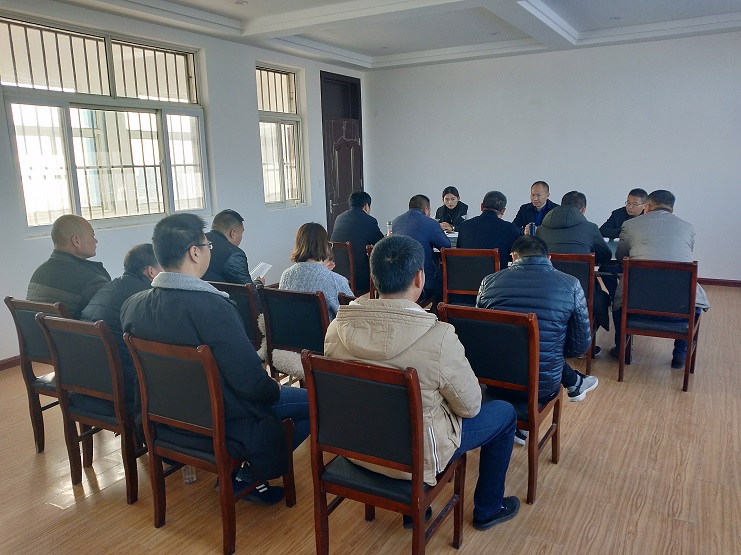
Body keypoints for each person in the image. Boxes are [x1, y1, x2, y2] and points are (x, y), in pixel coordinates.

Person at [324, 235, 519, 531]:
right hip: (416, 461)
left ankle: (414, 510)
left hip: (354, 447)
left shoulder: (337, 327)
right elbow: (470, 407)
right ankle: (488, 509)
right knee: (504, 414)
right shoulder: (439, 337)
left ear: (374, 277)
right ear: (419, 277)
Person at [121, 213, 310, 506]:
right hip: (222, 420)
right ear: (194, 252)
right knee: (316, 402)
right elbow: (250, 382)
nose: (209, 250)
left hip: (166, 421)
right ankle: (247, 474)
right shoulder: (213, 307)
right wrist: (274, 390)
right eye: (207, 245)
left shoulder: (133, 306)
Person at [477, 236, 598, 408]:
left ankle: (575, 381)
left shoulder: (488, 282)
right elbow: (579, 348)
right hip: (542, 387)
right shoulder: (571, 285)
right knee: (547, 346)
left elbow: (481, 336)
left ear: (514, 256)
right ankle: (575, 382)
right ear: (549, 258)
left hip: (495, 381)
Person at [611, 190, 710, 368]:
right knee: (696, 301)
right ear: (672, 209)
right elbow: (686, 254)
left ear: (647, 207)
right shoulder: (687, 227)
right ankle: (680, 356)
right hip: (679, 309)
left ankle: (621, 350)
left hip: (636, 306)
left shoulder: (630, 225)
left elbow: (620, 256)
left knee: (619, 299)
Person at [81, 244, 162, 421]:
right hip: (121, 391)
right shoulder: (145, 298)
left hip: (84, 386)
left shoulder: (108, 288)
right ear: (151, 272)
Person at [536, 191, 613, 334]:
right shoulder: (590, 228)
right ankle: (584, 340)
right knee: (602, 298)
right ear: (582, 210)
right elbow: (606, 255)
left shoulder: (541, 229)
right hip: (581, 291)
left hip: (548, 289)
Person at [27, 214, 111, 319]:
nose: (95, 241)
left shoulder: (39, 273)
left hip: (39, 330)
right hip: (75, 330)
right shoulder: (92, 280)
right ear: (76, 241)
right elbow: (111, 319)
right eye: (92, 236)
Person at [279, 222, 354, 321]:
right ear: (324, 246)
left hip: (291, 330)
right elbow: (356, 315)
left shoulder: (285, 276)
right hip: (327, 331)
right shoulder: (336, 281)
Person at [392, 194, 451, 300]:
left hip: (400, 277)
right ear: (425, 209)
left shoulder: (396, 221)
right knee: (444, 278)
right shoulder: (431, 223)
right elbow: (446, 246)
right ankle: (438, 309)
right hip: (422, 278)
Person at [329, 191, 384, 293]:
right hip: (359, 276)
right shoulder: (369, 221)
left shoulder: (339, 218)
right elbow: (381, 244)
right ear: (366, 206)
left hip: (337, 272)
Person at [456, 191, 521, 266]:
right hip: (497, 273)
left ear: (481, 206)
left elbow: (459, 252)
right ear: (503, 211)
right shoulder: (510, 228)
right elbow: (516, 256)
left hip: (466, 272)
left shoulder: (464, 226)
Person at [202, 209, 255, 285]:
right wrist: (258, 282)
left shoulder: (198, 241)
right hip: (220, 292)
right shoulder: (234, 254)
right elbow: (247, 289)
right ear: (233, 233)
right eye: (241, 232)